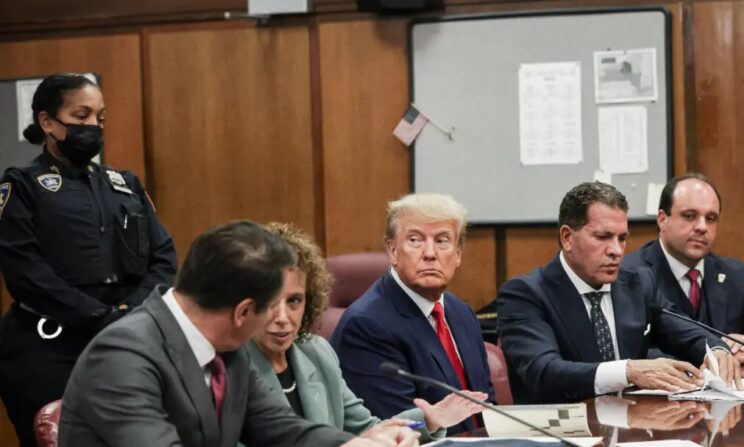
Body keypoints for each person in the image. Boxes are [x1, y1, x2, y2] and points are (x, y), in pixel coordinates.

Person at [58, 220, 419, 447]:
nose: (281, 319)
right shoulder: (123, 356)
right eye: (269, 308)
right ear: (244, 311)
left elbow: (279, 429)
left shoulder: (223, 350)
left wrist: (355, 444)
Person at [0, 73, 177, 446]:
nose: (93, 127)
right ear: (47, 122)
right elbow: (25, 272)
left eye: (100, 118)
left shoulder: (125, 185)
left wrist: (131, 313)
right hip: (51, 346)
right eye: (81, 117)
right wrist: (99, 316)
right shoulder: (22, 185)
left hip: (128, 339)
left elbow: (163, 260)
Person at [497, 181, 741, 404]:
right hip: (563, 432)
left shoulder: (637, 283)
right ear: (567, 237)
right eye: (603, 237)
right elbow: (545, 371)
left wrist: (717, 350)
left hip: (632, 426)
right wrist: (628, 371)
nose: (616, 250)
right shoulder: (525, 294)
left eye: (622, 238)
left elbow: (686, 332)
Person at [244, 222, 485, 444]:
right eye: (269, 302)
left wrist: (429, 420)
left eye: (294, 301)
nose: (283, 318)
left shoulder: (315, 353)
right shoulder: (231, 367)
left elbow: (367, 429)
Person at [331, 193, 494, 435]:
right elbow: (396, 430)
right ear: (393, 251)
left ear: (458, 254)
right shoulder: (366, 326)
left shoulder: (461, 312)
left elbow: (486, 405)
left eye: (442, 241)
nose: (430, 253)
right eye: (415, 240)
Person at [624, 173, 744, 364]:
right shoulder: (630, 276)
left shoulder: (734, 274)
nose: (702, 227)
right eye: (690, 216)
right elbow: (630, 349)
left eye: (711, 218)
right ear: (663, 219)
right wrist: (714, 356)